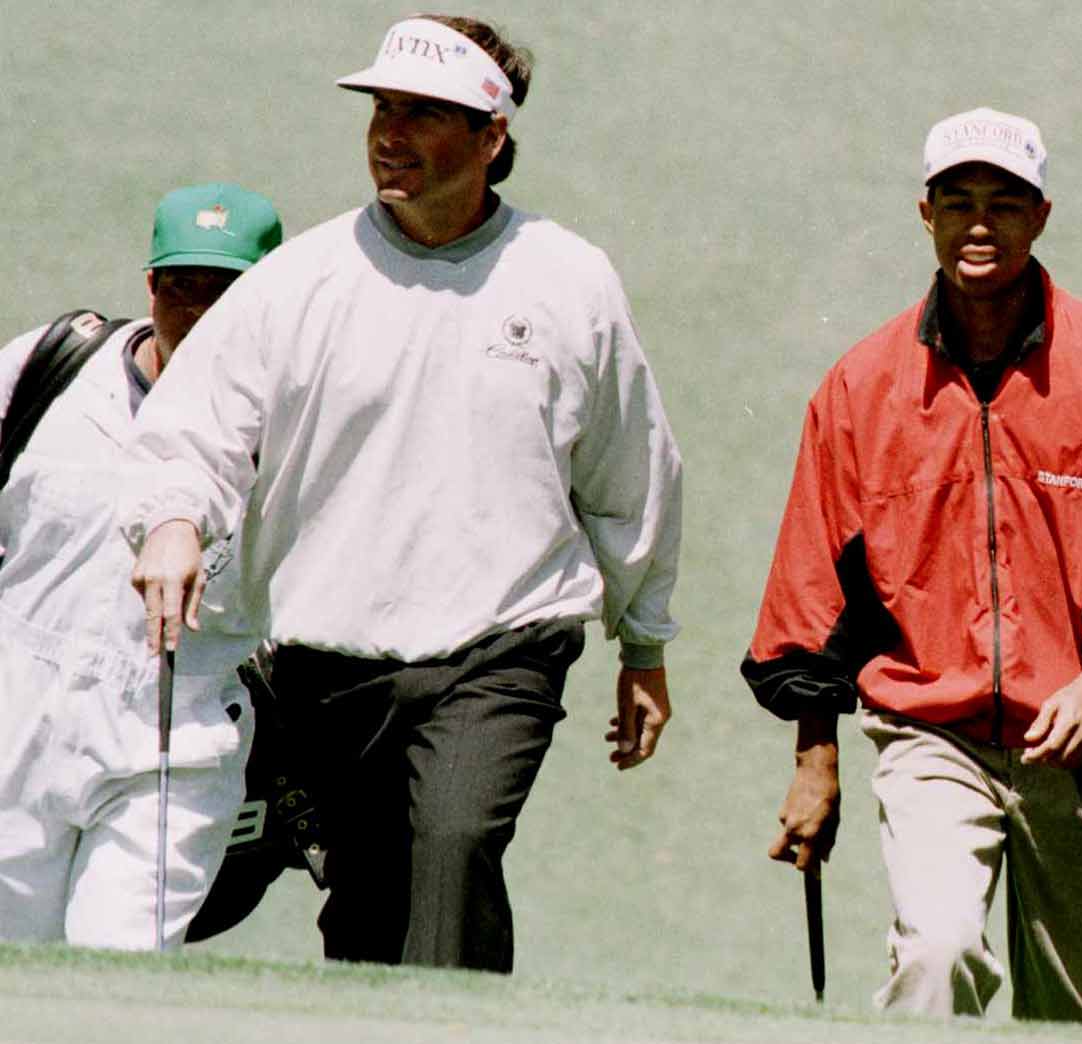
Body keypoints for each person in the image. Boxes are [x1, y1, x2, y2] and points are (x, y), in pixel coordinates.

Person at [120, 15, 682, 973]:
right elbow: (193, 426)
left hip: (502, 647)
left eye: (424, 113)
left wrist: (645, 640)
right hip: (327, 662)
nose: (390, 132)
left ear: (491, 137)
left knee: (456, 846)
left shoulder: (571, 282)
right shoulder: (299, 280)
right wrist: (175, 520)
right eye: (383, 108)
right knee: (373, 911)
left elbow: (630, 475)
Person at [743, 107, 1082, 1024]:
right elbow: (812, 591)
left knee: (1077, 1014)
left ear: (1041, 216)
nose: (978, 224)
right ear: (924, 213)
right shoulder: (862, 386)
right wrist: (815, 762)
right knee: (936, 952)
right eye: (957, 202)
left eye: (1004, 204)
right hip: (932, 735)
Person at [0, 182, 283, 948]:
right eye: (182, 285)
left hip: (178, 729)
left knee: (115, 972)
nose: (199, 311)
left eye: (227, 292)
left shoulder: (298, 429)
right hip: (16, 707)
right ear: (151, 284)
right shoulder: (52, 365)